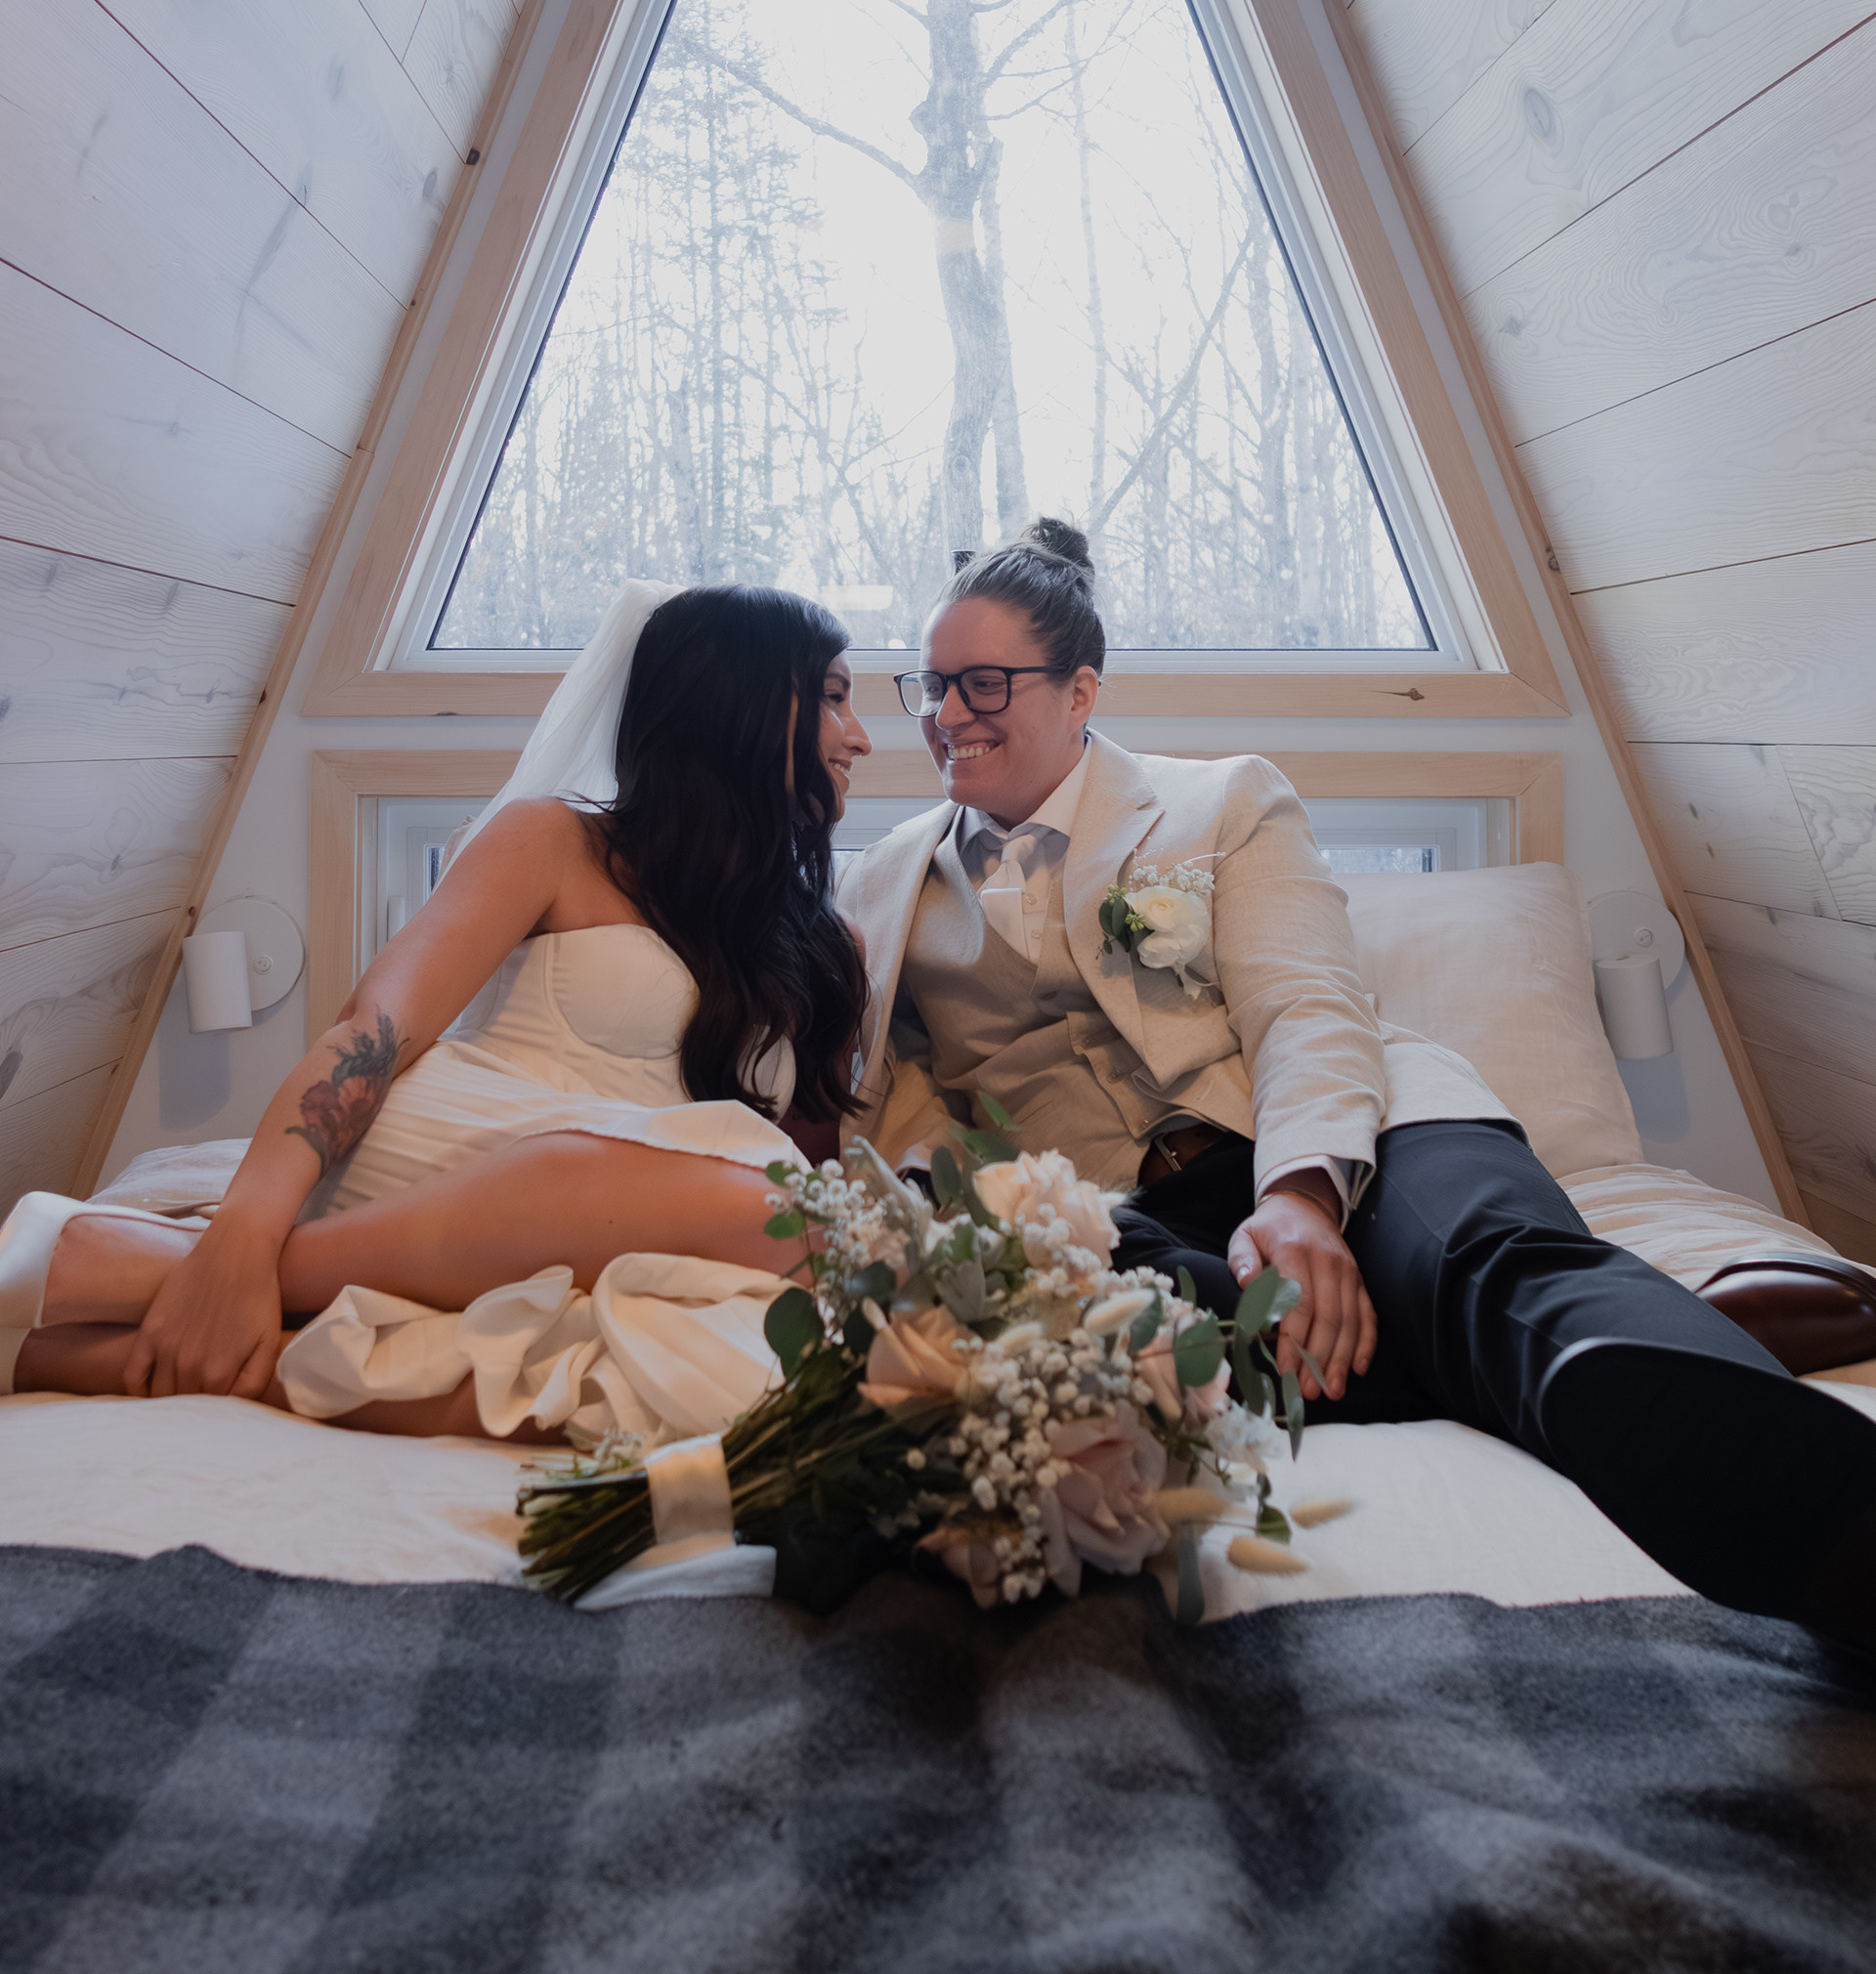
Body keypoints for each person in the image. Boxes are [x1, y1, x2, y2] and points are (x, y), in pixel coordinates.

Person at [836, 518, 1876, 1652]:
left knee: (1492, 1263)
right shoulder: (886, 882)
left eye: (983, 683)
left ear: (1081, 690)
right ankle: (1585, 1339)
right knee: (1148, 1347)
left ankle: (1836, 1525)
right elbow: (893, 1098)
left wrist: (1301, 1198)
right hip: (1140, 1211)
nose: (946, 714)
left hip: (1373, 1132)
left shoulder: (1221, 801)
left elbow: (1307, 1003)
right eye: (929, 685)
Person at [1, 582, 872, 1432]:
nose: (860, 737)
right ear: (742, 706)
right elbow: (373, 1030)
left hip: (623, 1230)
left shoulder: (829, 948)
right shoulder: (554, 840)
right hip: (459, 1158)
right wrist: (243, 1230)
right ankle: (222, 1265)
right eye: (834, 697)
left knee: (748, 1330)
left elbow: (798, 1170)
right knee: (782, 1218)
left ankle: (102, 1317)